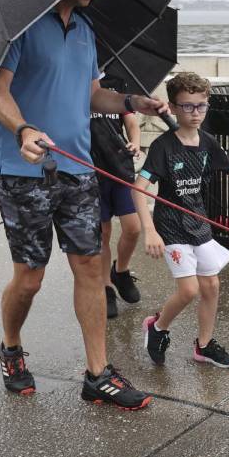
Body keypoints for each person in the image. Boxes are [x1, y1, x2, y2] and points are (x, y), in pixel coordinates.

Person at [0, 0, 167, 411]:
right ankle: (11, 347)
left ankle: (97, 375)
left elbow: (91, 94)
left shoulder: (85, 30)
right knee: (30, 278)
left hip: (79, 168)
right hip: (20, 169)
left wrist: (130, 101)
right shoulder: (20, 27)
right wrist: (25, 130)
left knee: (90, 267)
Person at [134, 72, 229, 369]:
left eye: (201, 106)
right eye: (187, 107)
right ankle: (157, 327)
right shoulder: (163, 147)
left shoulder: (208, 143)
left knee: (211, 286)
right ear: (172, 107)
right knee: (189, 290)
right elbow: (138, 188)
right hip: (170, 226)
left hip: (199, 222)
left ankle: (204, 346)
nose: (195, 113)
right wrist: (149, 230)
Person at [89, 76, 144, 318]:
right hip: (91, 169)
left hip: (120, 166)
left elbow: (131, 121)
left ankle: (120, 271)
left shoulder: (116, 79)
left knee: (133, 228)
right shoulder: (76, 81)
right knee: (103, 233)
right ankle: (105, 287)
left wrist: (135, 143)